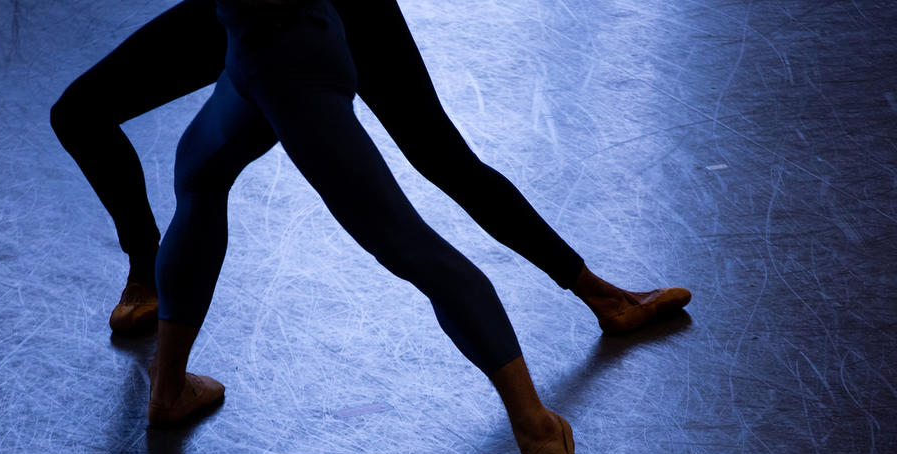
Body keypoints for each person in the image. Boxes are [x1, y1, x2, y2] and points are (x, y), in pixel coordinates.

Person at [50, 0, 691, 337]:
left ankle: (601, 295)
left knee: (442, 161)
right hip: (237, 18)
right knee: (80, 114)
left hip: (333, 13)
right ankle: (146, 268)